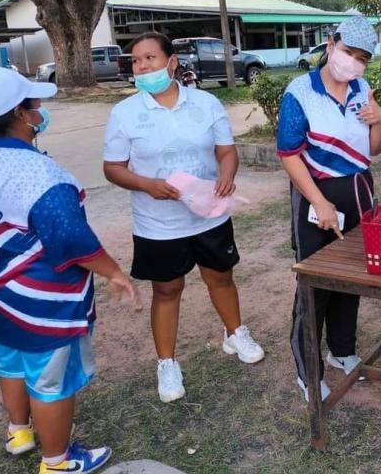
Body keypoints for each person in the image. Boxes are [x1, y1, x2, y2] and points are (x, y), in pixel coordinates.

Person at [0, 68, 138, 474]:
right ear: (21, 115)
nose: (41, 110)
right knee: (51, 382)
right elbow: (71, 238)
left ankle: (19, 431)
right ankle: (57, 462)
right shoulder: (38, 173)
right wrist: (114, 272)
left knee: (11, 363)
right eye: (36, 104)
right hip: (39, 303)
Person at [103, 31, 264, 405]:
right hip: (158, 224)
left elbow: (226, 151)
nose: (142, 67)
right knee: (167, 290)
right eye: (136, 61)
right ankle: (167, 363)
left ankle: (234, 333)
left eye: (150, 58)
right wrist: (146, 185)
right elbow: (113, 168)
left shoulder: (206, 103)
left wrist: (227, 174)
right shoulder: (124, 113)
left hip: (209, 214)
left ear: (171, 62)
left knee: (220, 277)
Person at [278, 17, 381, 401]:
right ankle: (309, 371)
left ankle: (342, 349)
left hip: (359, 193)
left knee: (352, 276)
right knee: (315, 284)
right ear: (330, 45)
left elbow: (374, 147)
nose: (352, 62)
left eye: (362, 58)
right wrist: (319, 201)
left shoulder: (362, 90)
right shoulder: (300, 92)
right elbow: (289, 155)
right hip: (316, 197)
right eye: (347, 52)